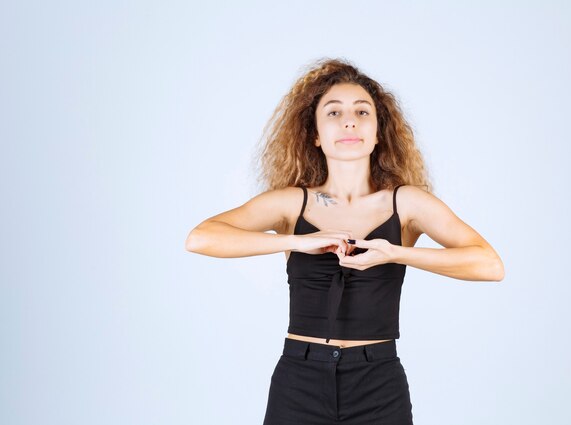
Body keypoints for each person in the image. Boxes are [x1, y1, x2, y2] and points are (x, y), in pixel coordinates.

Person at [185, 58, 505, 425]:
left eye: (362, 111)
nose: (349, 121)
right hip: (299, 379)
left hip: (378, 383)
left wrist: (395, 253)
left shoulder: (408, 203)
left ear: (378, 132)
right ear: (316, 134)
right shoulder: (293, 202)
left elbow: (490, 265)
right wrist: (298, 242)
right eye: (333, 112)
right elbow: (200, 238)